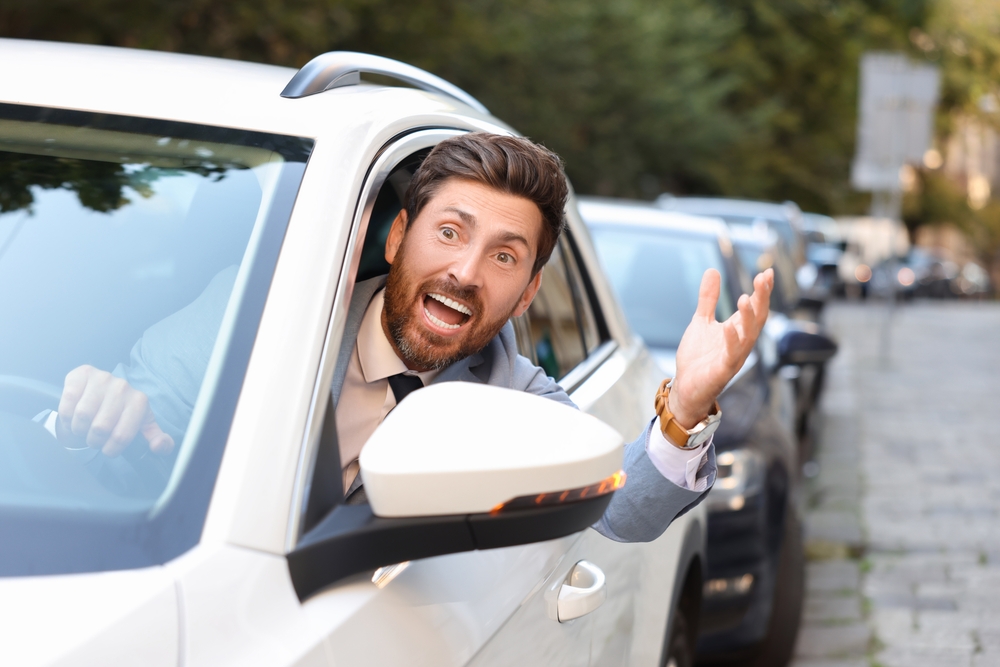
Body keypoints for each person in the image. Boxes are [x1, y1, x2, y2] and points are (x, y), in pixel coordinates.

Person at [50, 133, 773, 542]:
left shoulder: (514, 396)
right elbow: (141, 422)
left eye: (503, 254)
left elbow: (622, 508)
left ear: (525, 295)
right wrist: (105, 414)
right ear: (398, 237)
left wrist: (687, 402)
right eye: (450, 232)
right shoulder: (260, 312)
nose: (464, 271)